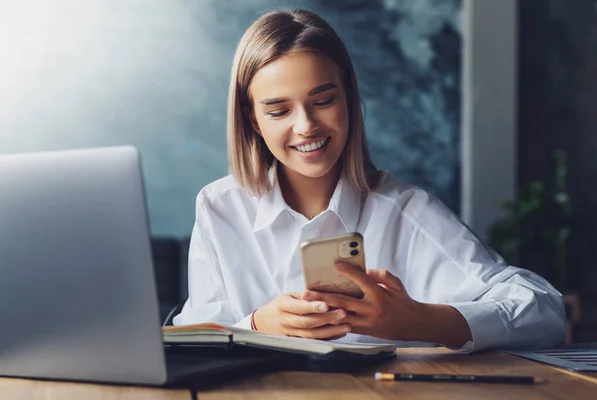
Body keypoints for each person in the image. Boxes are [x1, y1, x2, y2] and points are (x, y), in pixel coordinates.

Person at [173, 9, 566, 352]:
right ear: (252, 119)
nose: (306, 126)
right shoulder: (219, 206)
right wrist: (258, 326)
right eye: (278, 111)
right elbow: (192, 340)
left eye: (324, 100)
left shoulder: (406, 210)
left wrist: (422, 321)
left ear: (349, 96)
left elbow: (543, 308)